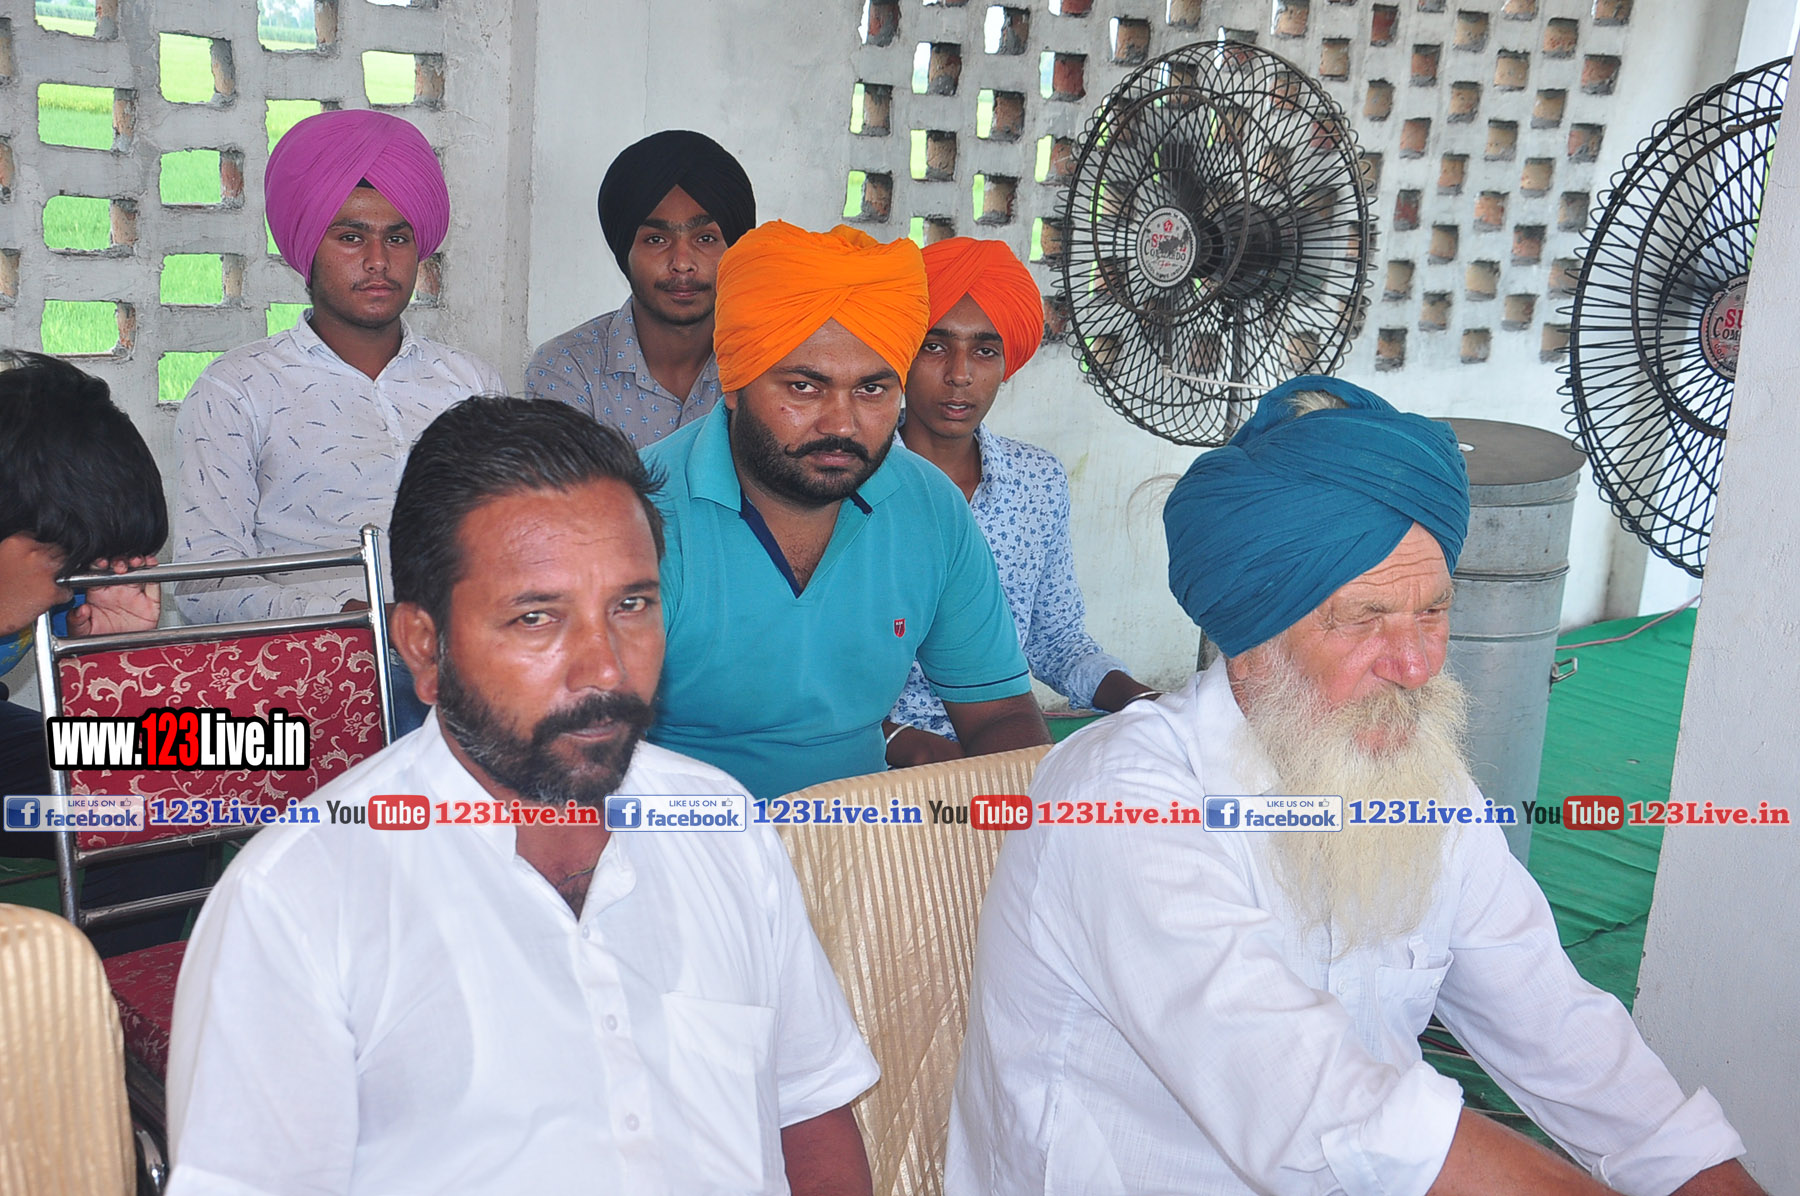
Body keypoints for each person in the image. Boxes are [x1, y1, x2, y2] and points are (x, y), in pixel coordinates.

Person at [947, 376, 1764, 1196]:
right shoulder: (1117, 806)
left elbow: (1555, 1022)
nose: (1416, 664)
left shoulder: (1422, 783)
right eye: (1364, 619)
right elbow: (1325, 1116)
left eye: (1433, 612)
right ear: (1254, 638)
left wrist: (1703, 1176)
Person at [167, 397, 878, 1195]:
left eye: (632, 605)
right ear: (423, 647)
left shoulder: (721, 825)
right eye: (537, 618)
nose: (605, 669)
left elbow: (807, 1112)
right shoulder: (296, 902)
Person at [639, 221, 1050, 801]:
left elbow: (998, 714)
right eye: (804, 388)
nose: (841, 424)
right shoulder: (638, 511)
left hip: (862, 837)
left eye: (872, 390)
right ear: (734, 383)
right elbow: (578, 748)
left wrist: (1023, 829)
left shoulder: (931, 509)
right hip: (675, 836)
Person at [170, 109, 502, 731]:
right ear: (308, 248)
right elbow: (203, 582)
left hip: (467, 664)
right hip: (314, 671)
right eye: (351, 237)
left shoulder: (471, 385)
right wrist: (352, 617)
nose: (378, 260)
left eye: (397, 239)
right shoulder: (238, 390)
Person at [886, 237, 1158, 764]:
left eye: (984, 351)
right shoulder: (853, 478)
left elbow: (1054, 638)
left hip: (1005, 739)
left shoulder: (1037, 481)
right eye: (935, 346)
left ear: (1006, 362)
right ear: (902, 354)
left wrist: (1141, 700)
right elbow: (816, 665)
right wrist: (906, 744)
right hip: (874, 756)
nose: (960, 374)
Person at [0, 351, 201, 956]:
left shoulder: (56, 590)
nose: (72, 590)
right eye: (66, 565)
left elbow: (111, 753)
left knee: (168, 792)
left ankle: (106, 997)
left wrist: (111, 660)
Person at [525, 130, 756, 446]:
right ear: (625, 253)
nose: (682, 263)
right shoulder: (569, 367)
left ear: (736, 251)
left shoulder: (766, 363)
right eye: (656, 240)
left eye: (706, 239)